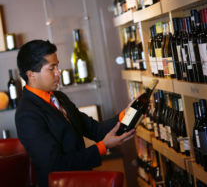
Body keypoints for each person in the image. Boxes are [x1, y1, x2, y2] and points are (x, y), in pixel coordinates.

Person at [15, 40, 135, 187]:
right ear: (31, 74)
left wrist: (128, 114)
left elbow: (95, 129)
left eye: (57, 66)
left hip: (83, 180)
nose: (58, 72)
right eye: (51, 68)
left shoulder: (59, 97)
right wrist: (102, 147)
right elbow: (56, 165)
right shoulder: (26, 114)